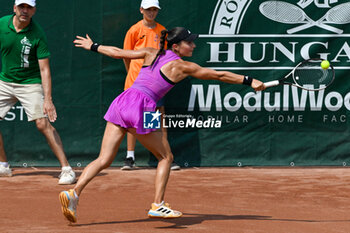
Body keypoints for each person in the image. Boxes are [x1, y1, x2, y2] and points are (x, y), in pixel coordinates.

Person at [59, 27, 265, 223]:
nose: (193, 46)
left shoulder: (151, 52)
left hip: (124, 100)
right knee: (166, 157)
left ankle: (73, 194)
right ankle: (157, 204)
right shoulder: (183, 66)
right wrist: (249, 80)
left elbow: (118, 52)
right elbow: (219, 75)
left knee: (104, 159)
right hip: (144, 107)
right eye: (189, 42)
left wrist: (93, 46)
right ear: (175, 46)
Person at [0, 0, 76, 185]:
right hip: (5, 81)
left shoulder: (38, 34)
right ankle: (3, 165)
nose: (24, 11)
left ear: (34, 10)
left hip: (30, 83)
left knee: (43, 124)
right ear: (14, 8)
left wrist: (47, 99)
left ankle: (67, 170)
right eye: (21, 7)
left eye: (29, 7)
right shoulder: (2, 24)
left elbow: (44, 70)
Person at [121, 0, 180, 171]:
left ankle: (163, 155)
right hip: (135, 83)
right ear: (141, 10)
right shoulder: (134, 30)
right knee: (131, 120)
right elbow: (126, 55)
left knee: (154, 120)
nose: (151, 12)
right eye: (148, 9)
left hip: (154, 85)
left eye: (154, 9)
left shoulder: (162, 31)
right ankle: (130, 157)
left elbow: (165, 57)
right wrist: (131, 73)